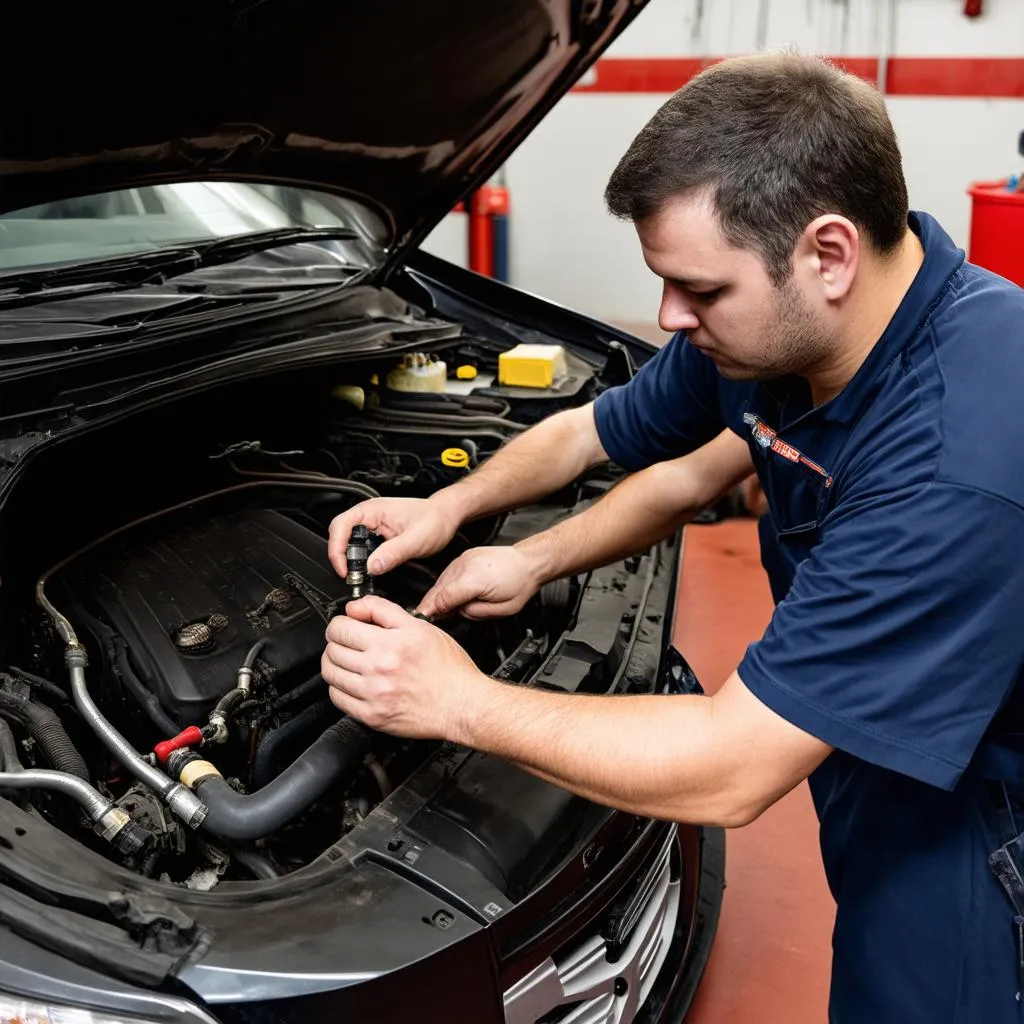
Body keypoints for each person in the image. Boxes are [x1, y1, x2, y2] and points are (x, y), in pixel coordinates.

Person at [322, 52, 1024, 1021]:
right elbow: (610, 438)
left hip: (980, 809)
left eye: (697, 289)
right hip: (876, 727)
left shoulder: (959, 452)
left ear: (827, 253)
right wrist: (472, 521)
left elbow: (732, 766)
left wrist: (462, 700)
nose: (666, 316)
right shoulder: (791, 334)